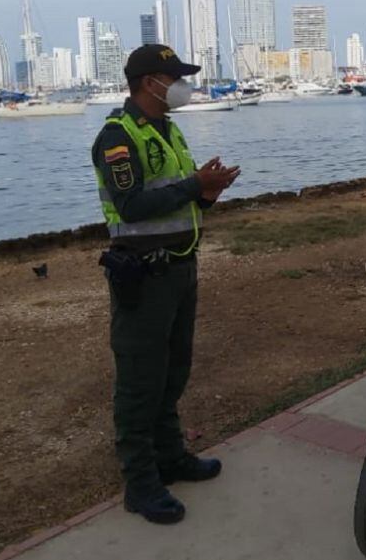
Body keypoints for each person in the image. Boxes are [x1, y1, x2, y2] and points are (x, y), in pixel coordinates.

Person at [91, 44, 241, 524]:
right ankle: (140, 483)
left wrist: (207, 193)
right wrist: (195, 185)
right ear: (148, 83)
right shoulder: (118, 136)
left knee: (173, 371)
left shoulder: (168, 130)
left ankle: (171, 456)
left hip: (179, 268)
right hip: (144, 275)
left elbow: (178, 199)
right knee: (140, 380)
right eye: (173, 78)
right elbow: (131, 205)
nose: (181, 86)